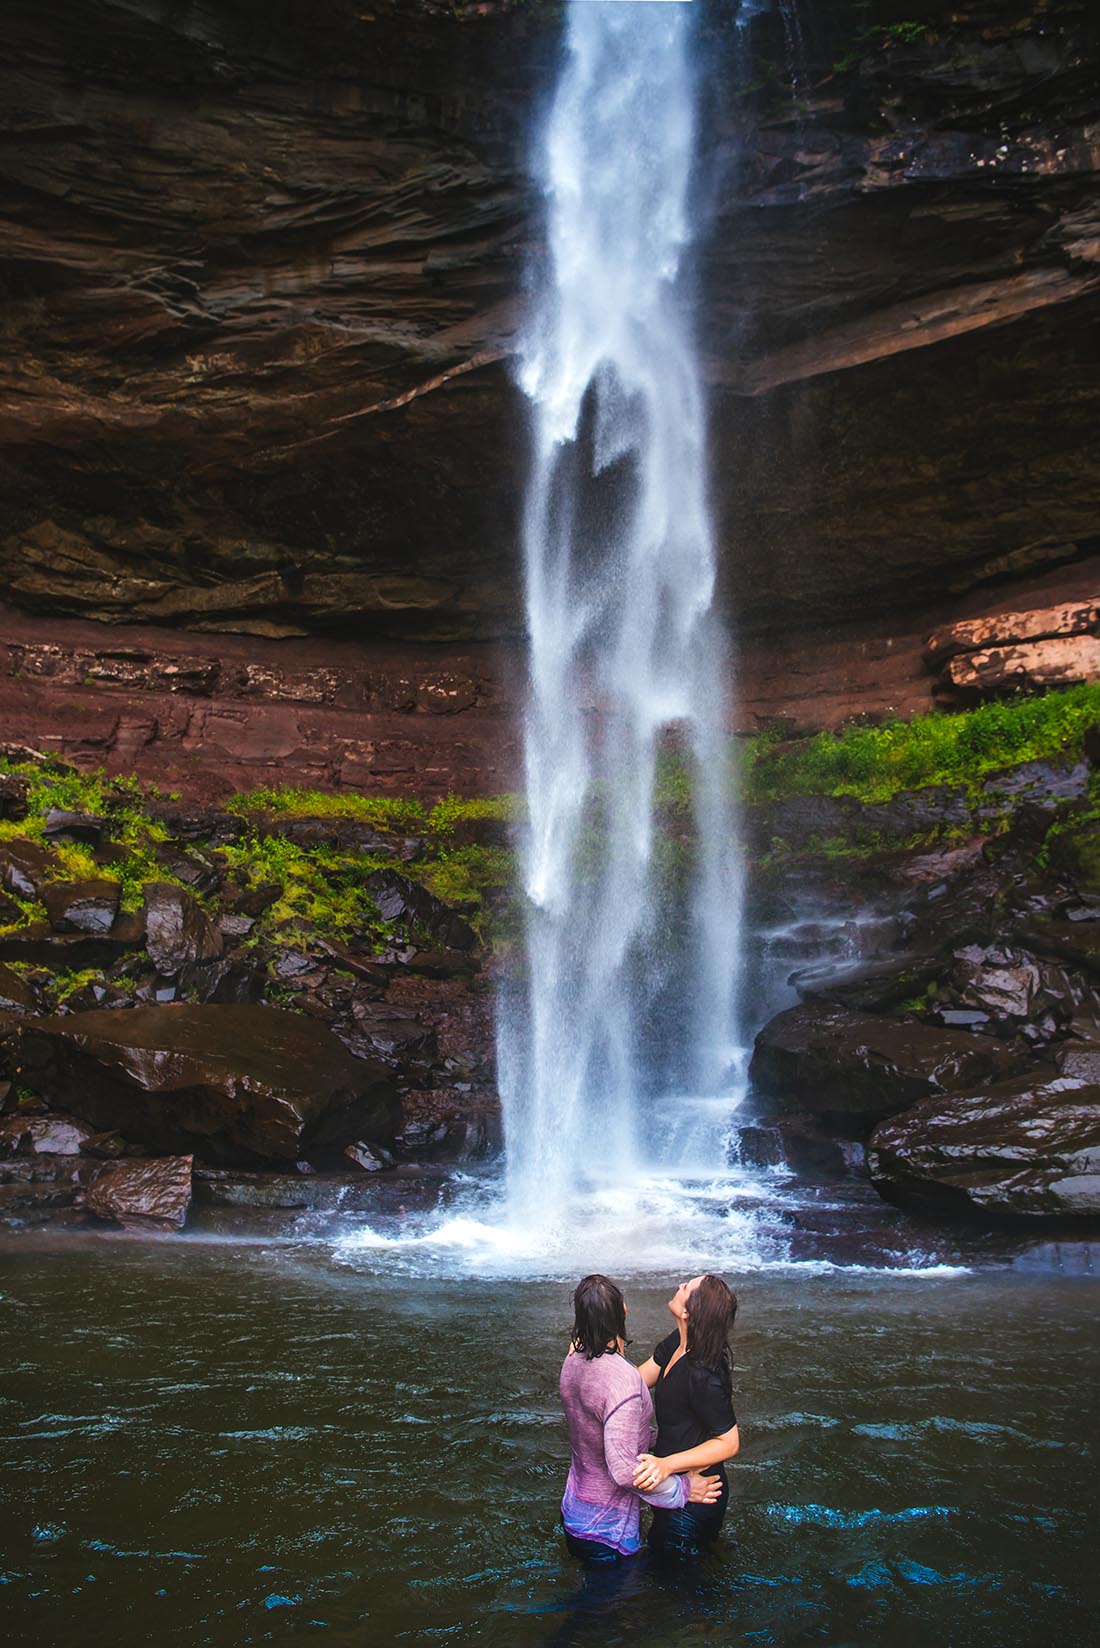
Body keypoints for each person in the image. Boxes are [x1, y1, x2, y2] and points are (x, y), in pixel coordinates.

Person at [559, 1273, 722, 1564]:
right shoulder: (622, 1381)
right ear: (623, 1310)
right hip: (605, 1530)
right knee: (608, 1608)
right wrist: (684, 1489)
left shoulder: (572, 1360)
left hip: (574, 1513)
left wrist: (670, 1443)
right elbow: (623, 1471)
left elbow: (605, 1431)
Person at [632, 1273, 739, 1558]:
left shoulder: (704, 1374)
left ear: (688, 1311)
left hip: (695, 1500)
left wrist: (666, 1465)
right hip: (676, 1491)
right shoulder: (676, 1344)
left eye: (686, 1287)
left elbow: (729, 1442)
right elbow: (634, 1383)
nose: (680, 1285)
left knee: (667, 1592)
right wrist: (596, 1360)